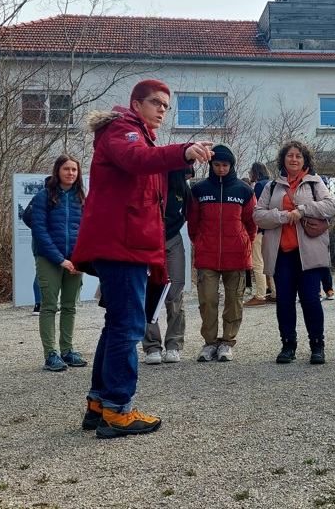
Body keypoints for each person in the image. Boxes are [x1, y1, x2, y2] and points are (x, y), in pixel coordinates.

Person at [72, 79, 213, 439]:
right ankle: (118, 410)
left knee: (118, 323)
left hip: (128, 244)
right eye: (155, 102)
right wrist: (183, 152)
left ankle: (100, 404)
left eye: (166, 104)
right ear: (136, 104)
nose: (162, 109)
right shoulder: (123, 129)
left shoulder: (136, 133)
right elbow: (137, 162)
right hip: (122, 245)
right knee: (127, 326)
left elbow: (151, 202)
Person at [254, 140, 335, 365]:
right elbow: (258, 215)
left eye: (298, 156)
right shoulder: (272, 185)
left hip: (308, 253)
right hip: (282, 253)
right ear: (283, 159)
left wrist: (301, 210)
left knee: (311, 299)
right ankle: (288, 344)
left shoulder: (314, 182)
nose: (294, 159)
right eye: (290, 155)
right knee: (285, 301)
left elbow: (330, 206)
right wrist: (282, 216)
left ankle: (317, 345)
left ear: (304, 160)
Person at [188, 144, 257, 362]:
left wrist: (243, 243)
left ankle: (227, 342)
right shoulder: (199, 190)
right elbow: (193, 222)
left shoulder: (244, 190)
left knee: (233, 301)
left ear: (232, 165)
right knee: (207, 301)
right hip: (206, 256)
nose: (221, 169)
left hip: (236, 256)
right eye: (217, 164)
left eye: (225, 165)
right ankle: (209, 343)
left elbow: (251, 223)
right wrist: (199, 243)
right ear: (210, 165)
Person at [30, 155, 87, 372]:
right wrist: (60, 259)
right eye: (66, 169)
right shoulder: (43, 196)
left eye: (74, 169)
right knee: (49, 306)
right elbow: (40, 231)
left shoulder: (82, 197)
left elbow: (88, 231)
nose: (70, 173)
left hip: (76, 261)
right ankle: (50, 354)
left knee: (70, 306)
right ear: (58, 171)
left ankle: (67, 350)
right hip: (49, 259)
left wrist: (80, 259)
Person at [142, 166, 194, 365]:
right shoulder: (151, 184)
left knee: (175, 295)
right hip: (148, 243)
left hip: (173, 240)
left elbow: (191, 214)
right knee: (149, 293)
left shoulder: (183, 189)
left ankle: (174, 344)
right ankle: (151, 347)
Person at [245, 162, 274, 306]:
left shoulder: (259, 186)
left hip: (259, 229)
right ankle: (275, 293)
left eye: (250, 171)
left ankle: (261, 295)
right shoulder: (271, 183)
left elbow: (254, 209)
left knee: (257, 262)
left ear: (255, 171)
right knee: (269, 262)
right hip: (270, 229)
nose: (249, 173)